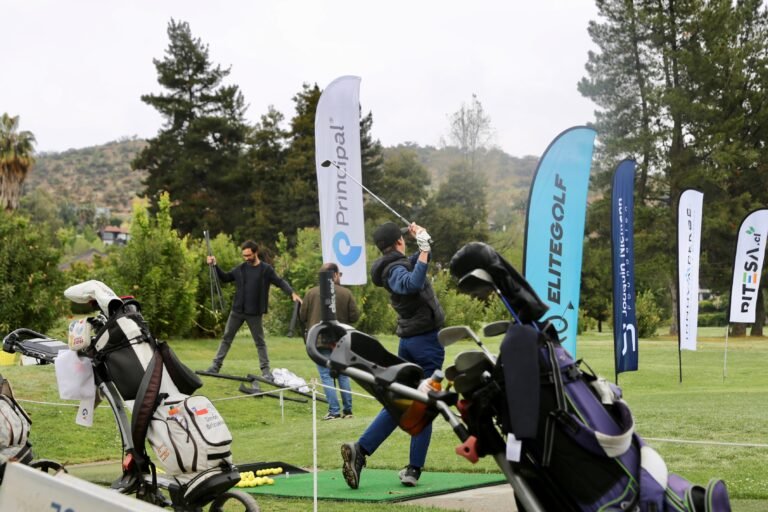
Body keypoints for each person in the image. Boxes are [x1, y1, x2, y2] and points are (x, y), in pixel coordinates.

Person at [341, 221, 445, 489]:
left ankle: (361, 450)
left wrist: (423, 240)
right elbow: (412, 283)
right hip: (425, 343)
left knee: (402, 400)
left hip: (411, 342)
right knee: (425, 403)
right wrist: (423, 247)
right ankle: (413, 469)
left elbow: (419, 259)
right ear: (399, 242)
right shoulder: (395, 269)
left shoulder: (396, 263)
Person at [205, 240, 301, 378]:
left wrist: (292, 293)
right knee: (226, 338)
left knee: (260, 343)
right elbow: (225, 278)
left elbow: (280, 282)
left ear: (256, 252)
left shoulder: (266, 270)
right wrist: (214, 265)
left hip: (254, 313)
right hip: (237, 311)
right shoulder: (241, 268)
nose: (246, 258)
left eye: (248, 255)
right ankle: (215, 367)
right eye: (244, 255)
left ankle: (266, 372)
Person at [300, 262, 360, 420]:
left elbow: (302, 315)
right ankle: (348, 411)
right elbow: (354, 316)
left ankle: (334, 411)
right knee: (343, 375)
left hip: (318, 340)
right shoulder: (346, 293)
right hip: (341, 340)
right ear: (335, 274)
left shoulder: (311, 293)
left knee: (326, 376)